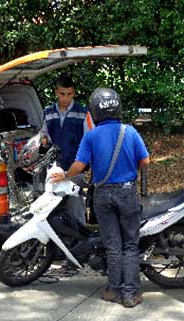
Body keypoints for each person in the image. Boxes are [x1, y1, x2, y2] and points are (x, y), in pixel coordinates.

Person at [51, 88, 149, 308]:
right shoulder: (130, 131)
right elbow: (145, 161)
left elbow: (79, 165)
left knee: (113, 245)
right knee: (130, 245)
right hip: (127, 192)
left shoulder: (91, 135)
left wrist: (65, 175)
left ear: (94, 111)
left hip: (103, 194)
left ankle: (113, 290)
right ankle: (131, 294)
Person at [41, 75, 94, 225]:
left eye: (69, 94)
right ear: (56, 93)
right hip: (54, 169)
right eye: (62, 94)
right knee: (53, 208)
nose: (66, 98)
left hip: (75, 169)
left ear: (74, 93)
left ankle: (81, 240)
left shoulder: (83, 113)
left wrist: (84, 164)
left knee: (75, 208)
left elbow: (91, 139)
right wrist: (43, 140)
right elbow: (43, 135)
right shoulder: (48, 113)